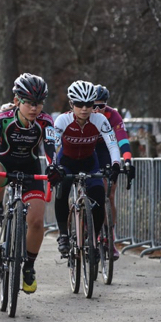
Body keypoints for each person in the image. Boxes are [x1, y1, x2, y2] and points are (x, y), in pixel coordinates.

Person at [0, 74, 55, 293]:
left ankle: (29, 267)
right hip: (4, 164)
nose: (35, 108)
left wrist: (54, 166)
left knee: (37, 221)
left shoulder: (45, 121)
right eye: (30, 103)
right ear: (16, 101)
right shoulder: (2, 118)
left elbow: (51, 148)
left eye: (39, 103)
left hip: (30, 170)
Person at [51, 80, 121, 256]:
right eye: (79, 104)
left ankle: (93, 239)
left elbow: (112, 144)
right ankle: (64, 235)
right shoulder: (63, 120)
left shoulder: (100, 119)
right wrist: (53, 167)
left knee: (98, 195)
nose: (84, 108)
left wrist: (115, 165)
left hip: (90, 162)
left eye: (89, 104)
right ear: (71, 104)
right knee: (62, 190)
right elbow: (52, 145)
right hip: (66, 162)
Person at [93, 84, 134, 260]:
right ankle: (86, 229)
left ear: (106, 105)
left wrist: (127, 159)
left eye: (100, 106)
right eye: (93, 105)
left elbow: (122, 139)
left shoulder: (113, 115)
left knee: (108, 194)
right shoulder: (84, 114)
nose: (96, 109)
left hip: (106, 153)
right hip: (87, 152)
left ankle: (110, 237)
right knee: (88, 189)